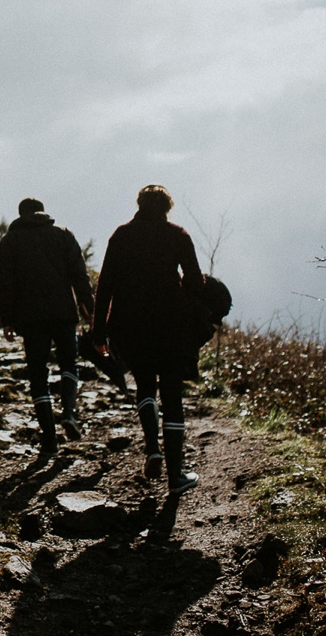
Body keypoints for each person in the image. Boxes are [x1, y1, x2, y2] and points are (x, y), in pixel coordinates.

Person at [91, 184, 204, 493]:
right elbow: (195, 282)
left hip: (130, 326)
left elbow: (106, 286)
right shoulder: (178, 235)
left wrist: (98, 331)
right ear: (167, 207)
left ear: (139, 205)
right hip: (171, 326)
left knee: (144, 386)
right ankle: (176, 476)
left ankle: (153, 448)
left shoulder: (121, 235)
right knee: (172, 394)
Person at [0, 198, 95, 457]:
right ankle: (69, 414)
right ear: (43, 211)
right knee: (68, 364)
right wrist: (89, 306)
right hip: (63, 313)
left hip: (30, 319)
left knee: (38, 375)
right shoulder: (62, 234)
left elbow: (6, 284)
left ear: (20, 215)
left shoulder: (9, 242)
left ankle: (49, 441)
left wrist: (6, 319)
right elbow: (79, 274)